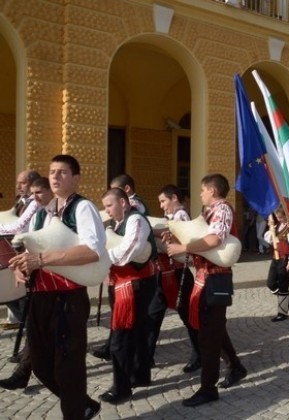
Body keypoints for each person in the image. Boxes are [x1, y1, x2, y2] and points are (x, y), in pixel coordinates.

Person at [8, 154, 103, 419]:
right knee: (40, 365)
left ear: (76, 178)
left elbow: (93, 251)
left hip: (68, 296)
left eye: (62, 172)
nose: (55, 177)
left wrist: (41, 259)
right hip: (40, 296)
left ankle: (75, 413)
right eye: (52, 172)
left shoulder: (82, 208)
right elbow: (29, 246)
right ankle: (84, 404)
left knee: (68, 366)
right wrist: (20, 266)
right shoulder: (42, 213)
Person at [166, 173, 247, 407]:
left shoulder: (222, 209)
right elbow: (201, 236)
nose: (200, 194)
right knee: (214, 329)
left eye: (202, 190)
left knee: (208, 336)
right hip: (205, 277)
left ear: (212, 190)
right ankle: (236, 366)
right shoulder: (208, 212)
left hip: (214, 278)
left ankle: (208, 388)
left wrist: (184, 245)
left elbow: (214, 240)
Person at [100, 187, 157, 404]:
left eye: (109, 205)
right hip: (126, 282)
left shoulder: (136, 220)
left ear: (123, 202)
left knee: (121, 336)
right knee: (138, 330)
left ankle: (121, 388)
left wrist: (102, 259)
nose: (107, 211)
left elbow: (130, 248)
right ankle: (140, 375)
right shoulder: (119, 222)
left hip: (134, 284)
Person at [0, 177, 53, 390]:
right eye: (32, 193)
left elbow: (21, 227)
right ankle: (24, 372)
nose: (34, 197)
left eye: (38, 192)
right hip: (39, 271)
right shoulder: (38, 210)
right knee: (36, 324)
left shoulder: (65, 210)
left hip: (60, 276)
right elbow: (26, 233)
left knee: (47, 327)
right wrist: (21, 265)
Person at [147, 185, 200, 373]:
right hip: (164, 273)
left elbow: (175, 239)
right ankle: (146, 356)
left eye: (163, 201)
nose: (161, 206)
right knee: (153, 315)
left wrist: (148, 229)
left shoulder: (181, 217)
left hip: (179, 274)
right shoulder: (171, 217)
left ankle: (199, 354)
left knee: (188, 316)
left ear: (174, 198)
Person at [1, 169, 40, 330]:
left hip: (26, 251)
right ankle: (21, 319)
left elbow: (20, 227)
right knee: (9, 291)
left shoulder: (35, 203)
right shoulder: (20, 201)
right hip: (11, 252)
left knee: (21, 292)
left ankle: (30, 325)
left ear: (33, 184)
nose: (18, 186)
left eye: (22, 182)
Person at [263, 207, 289, 321]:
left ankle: (282, 312)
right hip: (275, 258)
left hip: (285, 258)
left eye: (281, 217)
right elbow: (269, 240)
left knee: (283, 286)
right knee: (270, 283)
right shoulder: (276, 227)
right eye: (278, 217)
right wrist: (271, 228)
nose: (279, 219)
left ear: (286, 216)